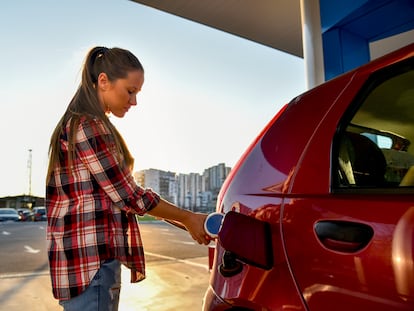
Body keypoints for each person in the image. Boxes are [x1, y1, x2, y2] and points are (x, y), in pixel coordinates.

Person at [46, 46, 211, 311]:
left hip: (83, 265)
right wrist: (189, 218)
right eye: (130, 91)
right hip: (92, 265)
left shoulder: (78, 124)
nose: (134, 102)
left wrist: (186, 221)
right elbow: (129, 195)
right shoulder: (88, 126)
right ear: (103, 81)